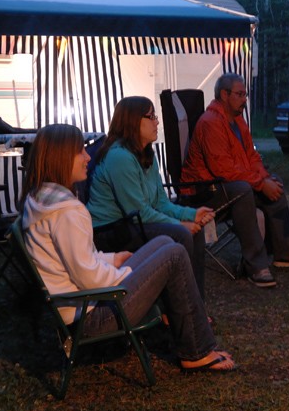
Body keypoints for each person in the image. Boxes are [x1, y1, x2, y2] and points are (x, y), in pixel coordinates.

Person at [20, 124, 235, 372]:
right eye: (80, 151)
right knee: (174, 253)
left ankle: (183, 325)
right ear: (61, 157)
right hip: (92, 316)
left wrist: (113, 259)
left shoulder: (41, 199)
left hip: (81, 304)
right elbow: (88, 276)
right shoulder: (68, 212)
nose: (88, 158)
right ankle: (197, 350)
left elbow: (76, 260)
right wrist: (128, 275)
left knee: (164, 242)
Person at [86, 96, 214, 300]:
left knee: (193, 231)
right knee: (181, 234)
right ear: (133, 121)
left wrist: (191, 214)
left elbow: (160, 202)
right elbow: (139, 212)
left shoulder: (146, 153)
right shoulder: (120, 157)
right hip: (109, 231)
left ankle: (194, 302)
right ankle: (179, 306)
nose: (157, 122)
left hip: (131, 223)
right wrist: (179, 224)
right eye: (151, 116)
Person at [181, 73, 289, 288]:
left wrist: (265, 179)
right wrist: (260, 184)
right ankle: (256, 266)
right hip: (203, 192)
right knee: (244, 189)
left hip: (228, 186)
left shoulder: (238, 121)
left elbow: (251, 158)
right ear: (224, 95)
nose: (245, 99)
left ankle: (285, 255)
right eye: (240, 94)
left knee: (274, 181)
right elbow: (223, 170)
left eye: (246, 94)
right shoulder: (210, 123)